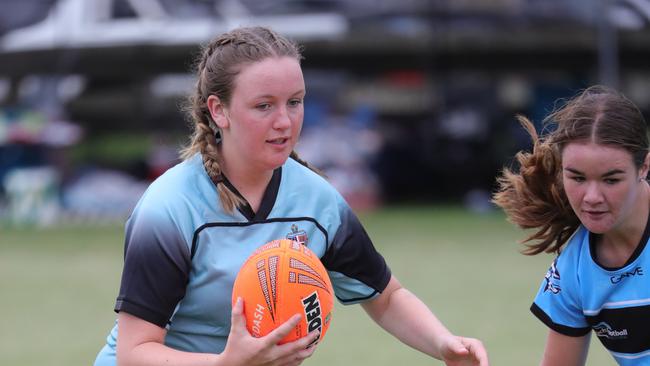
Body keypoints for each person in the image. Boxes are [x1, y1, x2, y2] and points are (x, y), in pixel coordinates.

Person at [93, 26, 488, 366]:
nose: (284, 122)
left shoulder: (316, 199)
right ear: (219, 111)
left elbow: (385, 297)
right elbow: (135, 352)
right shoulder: (169, 208)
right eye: (264, 106)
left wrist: (444, 343)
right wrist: (226, 363)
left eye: (295, 102)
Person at [493, 85, 650, 365]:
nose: (591, 198)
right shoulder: (574, 271)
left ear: (644, 167)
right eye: (577, 178)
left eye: (611, 180)